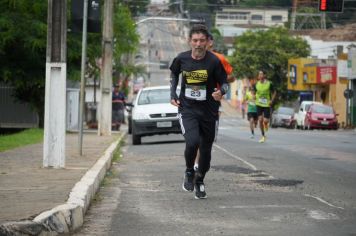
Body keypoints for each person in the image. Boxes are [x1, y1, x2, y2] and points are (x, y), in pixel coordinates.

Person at [170, 24, 229, 199]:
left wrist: (221, 92)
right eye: (195, 40)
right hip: (187, 109)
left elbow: (224, 82)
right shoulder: (181, 59)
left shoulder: (213, 61)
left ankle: (200, 180)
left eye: (202, 40)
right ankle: (189, 171)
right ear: (190, 41)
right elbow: (174, 74)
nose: (198, 44)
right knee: (192, 141)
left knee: (206, 151)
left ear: (207, 42)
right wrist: (172, 93)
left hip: (209, 112)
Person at [193, 32, 234, 171]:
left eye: (204, 40)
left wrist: (219, 84)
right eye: (197, 40)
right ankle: (196, 163)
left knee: (205, 136)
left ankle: (200, 162)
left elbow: (230, 78)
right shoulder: (193, 57)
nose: (201, 43)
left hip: (211, 100)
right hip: (194, 99)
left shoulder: (219, 58)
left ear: (210, 42)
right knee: (195, 134)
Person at [254, 71, 276, 143]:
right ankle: (263, 136)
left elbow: (274, 92)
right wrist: (254, 96)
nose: (260, 75)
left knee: (265, 121)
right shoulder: (256, 84)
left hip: (266, 104)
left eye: (261, 74)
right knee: (260, 120)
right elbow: (254, 91)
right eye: (259, 74)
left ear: (264, 75)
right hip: (258, 104)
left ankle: (266, 124)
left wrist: (271, 101)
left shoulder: (269, 84)